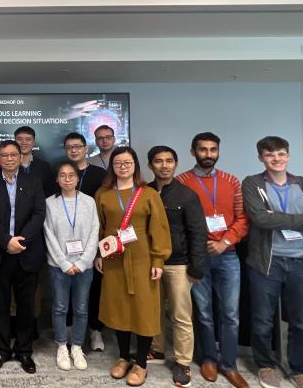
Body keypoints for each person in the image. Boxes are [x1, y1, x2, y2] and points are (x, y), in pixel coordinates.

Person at [242, 136, 303, 388]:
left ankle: (300, 370)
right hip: (266, 262)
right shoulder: (252, 183)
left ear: (288, 156)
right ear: (261, 158)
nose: (276, 159)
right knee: (262, 320)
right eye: (270, 154)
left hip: (302, 262)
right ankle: (265, 365)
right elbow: (260, 220)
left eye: (281, 154)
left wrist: (277, 217)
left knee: (302, 323)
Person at [93, 146, 171, 386]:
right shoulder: (103, 193)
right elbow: (97, 226)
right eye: (118, 163)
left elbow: (159, 228)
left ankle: (141, 363)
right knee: (119, 308)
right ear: (112, 166)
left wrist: (158, 259)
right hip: (114, 260)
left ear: (135, 165)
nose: (123, 166)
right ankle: (124, 357)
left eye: (127, 162)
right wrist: (98, 253)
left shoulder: (148, 194)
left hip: (143, 260)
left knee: (144, 310)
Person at [176, 132, 249, 388]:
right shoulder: (181, 181)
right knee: (204, 312)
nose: (208, 154)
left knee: (231, 314)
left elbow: (242, 219)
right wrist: (199, 246)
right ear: (192, 151)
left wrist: (224, 242)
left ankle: (229, 364)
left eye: (213, 149)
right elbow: (178, 223)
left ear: (218, 151)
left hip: (227, 255)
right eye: (203, 149)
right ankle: (208, 358)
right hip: (198, 257)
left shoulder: (232, 181)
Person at [0, 140, 46, 375]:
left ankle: (25, 351)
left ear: (20, 157)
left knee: (26, 305)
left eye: (13, 155)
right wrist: (6, 241)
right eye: (4, 155)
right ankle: (1, 349)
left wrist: (20, 240)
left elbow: (39, 215)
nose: (9, 159)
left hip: (26, 252)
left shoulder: (33, 181)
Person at [146, 146, 208, 387]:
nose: (164, 165)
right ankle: (158, 349)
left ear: (176, 164)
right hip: (151, 262)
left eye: (169, 161)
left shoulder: (186, 195)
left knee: (181, 315)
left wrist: (197, 266)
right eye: (158, 161)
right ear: (150, 165)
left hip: (178, 264)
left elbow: (198, 233)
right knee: (154, 310)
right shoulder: (144, 192)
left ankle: (183, 361)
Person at [44, 161, 98, 372]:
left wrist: (83, 262)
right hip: (59, 265)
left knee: (81, 307)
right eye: (62, 175)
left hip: (84, 266)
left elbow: (95, 232)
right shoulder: (49, 203)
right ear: (57, 179)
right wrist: (65, 263)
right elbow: (48, 234)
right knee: (59, 307)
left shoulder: (89, 202)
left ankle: (76, 346)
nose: (67, 179)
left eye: (71, 175)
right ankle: (61, 346)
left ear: (78, 178)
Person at [62, 131, 108, 350]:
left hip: (92, 239)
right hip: (65, 242)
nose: (73, 150)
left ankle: (95, 330)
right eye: (69, 147)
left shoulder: (99, 174)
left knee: (93, 288)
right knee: (67, 288)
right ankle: (70, 330)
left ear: (85, 148)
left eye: (77, 146)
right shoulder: (61, 172)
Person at [14, 126, 55, 197]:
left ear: (33, 142)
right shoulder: (7, 165)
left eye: (28, 139)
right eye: (20, 139)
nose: (24, 142)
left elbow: (50, 192)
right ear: (15, 141)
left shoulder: (45, 167)